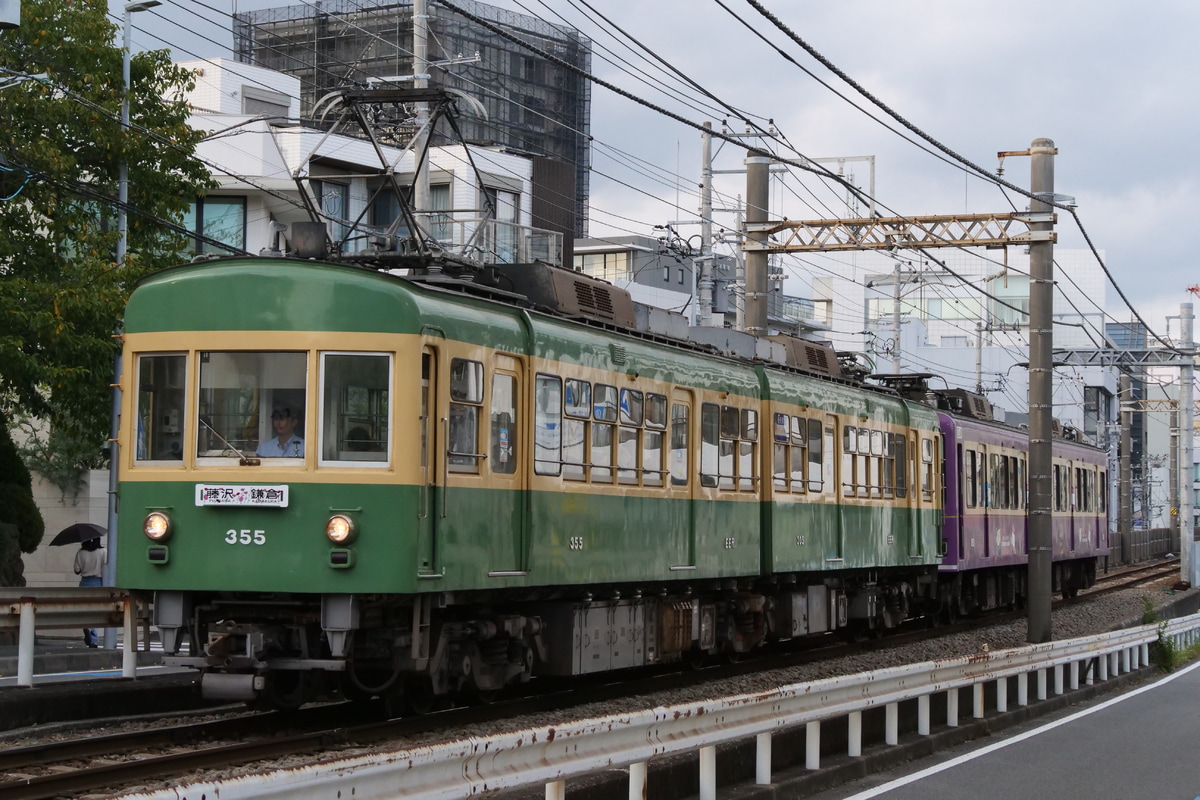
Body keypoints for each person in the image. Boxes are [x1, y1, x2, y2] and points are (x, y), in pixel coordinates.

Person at [74, 538, 105, 647]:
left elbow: (77, 570)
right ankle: (93, 639)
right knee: (95, 611)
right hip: (97, 582)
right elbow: (107, 567)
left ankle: (86, 626)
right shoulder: (103, 552)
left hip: (84, 582)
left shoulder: (80, 552)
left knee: (85, 609)